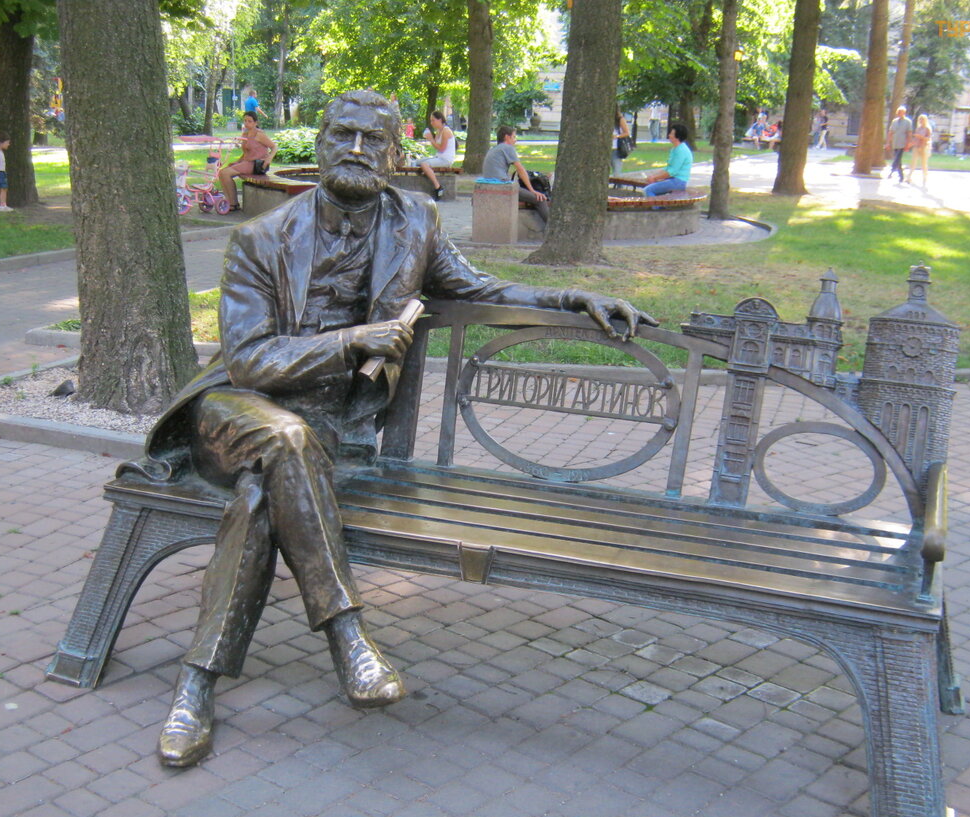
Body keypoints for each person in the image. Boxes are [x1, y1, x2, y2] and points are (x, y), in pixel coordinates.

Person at [144, 89, 655, 768]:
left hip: (324, 428)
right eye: (343, 135)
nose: (357, 150)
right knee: (282, 443)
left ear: (395, 156)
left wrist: (569, 296)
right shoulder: (261, 238)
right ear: (320, 144)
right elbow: (249, 360)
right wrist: (352, 341)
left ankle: (196, 686)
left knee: (265, 495)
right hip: (234, 412)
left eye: (373, 140)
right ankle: (349, 638)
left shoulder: (415, 221)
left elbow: (482, 289)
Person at [483, 124, 549, 225]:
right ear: (507, 137)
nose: (515, 140)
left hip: (490, 185)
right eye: (514, 137)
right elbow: (520, 169)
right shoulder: (507, 148)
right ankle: (553, 228)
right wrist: (532, 190)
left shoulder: (494, 149)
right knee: (540, 199)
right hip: (502, 187)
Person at [217, 111, 278, 212]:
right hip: (247, 162)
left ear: (255, 123)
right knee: (221, 173)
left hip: (257, 164)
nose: (246, 123)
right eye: (245, 121)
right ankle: (229, 201)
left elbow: (274, 147)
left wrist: (268, 159)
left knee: (225, 173)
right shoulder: (245, 134)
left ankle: (234, 204)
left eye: (250, 121)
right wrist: (237, 162)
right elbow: (246, 152)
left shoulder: (259, 134)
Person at [644, 122, 692, 198]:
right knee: (652, 187)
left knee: (648, 190)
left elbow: (671, 172)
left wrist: (655, 178)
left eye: (671, 134)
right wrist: (653, 176)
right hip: (672, 180)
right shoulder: (675, 149)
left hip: (678, 182)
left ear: (677, 137)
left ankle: (655, 205)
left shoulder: (681, 151)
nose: (669, 135)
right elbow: (667, 168)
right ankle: (657, 204)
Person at [418, 110, 455, 199]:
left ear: (440, 120)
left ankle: (438, 187)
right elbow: (437, 147)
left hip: (446, 160)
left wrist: (431, 139)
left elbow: (442, 148)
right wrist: (431, 139)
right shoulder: (439, 131)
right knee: (416, 162)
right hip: (438, 157)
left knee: (424, 164)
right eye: (431, 121)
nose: (431, 123)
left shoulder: (446, 131)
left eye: (433, 120)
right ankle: (426, 175)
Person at [885, 106, 912, 183]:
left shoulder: (908, 122)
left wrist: (908, 144)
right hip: (895, 142)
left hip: (902, 143)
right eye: (899, 112)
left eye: (902, 112)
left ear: (904, 113)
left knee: (897, 158)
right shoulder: (894, 121)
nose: (900, 114)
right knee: (898, 160)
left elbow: (909, 133)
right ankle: (901, 176)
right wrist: (888, 143)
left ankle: (892, 171)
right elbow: (890, 132)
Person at [907, 113, 933, 188]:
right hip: (916, 146)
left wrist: (921, 137)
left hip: (924, 147)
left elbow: (928, 138)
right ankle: (909, 176)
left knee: (924, 163)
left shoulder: (927, 129)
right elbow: (915, 138)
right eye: (920, 119)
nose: (921, 121)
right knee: (913, 162)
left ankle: (925, 177)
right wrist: (911, 143)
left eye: (922, 119)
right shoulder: (918, 128)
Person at [611, 110, 630, 178]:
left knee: (617, 173)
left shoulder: (620, 119)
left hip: (615, 148)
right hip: (606, 148)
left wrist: (617, 136)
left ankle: (618, 184)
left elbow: (627, 133)